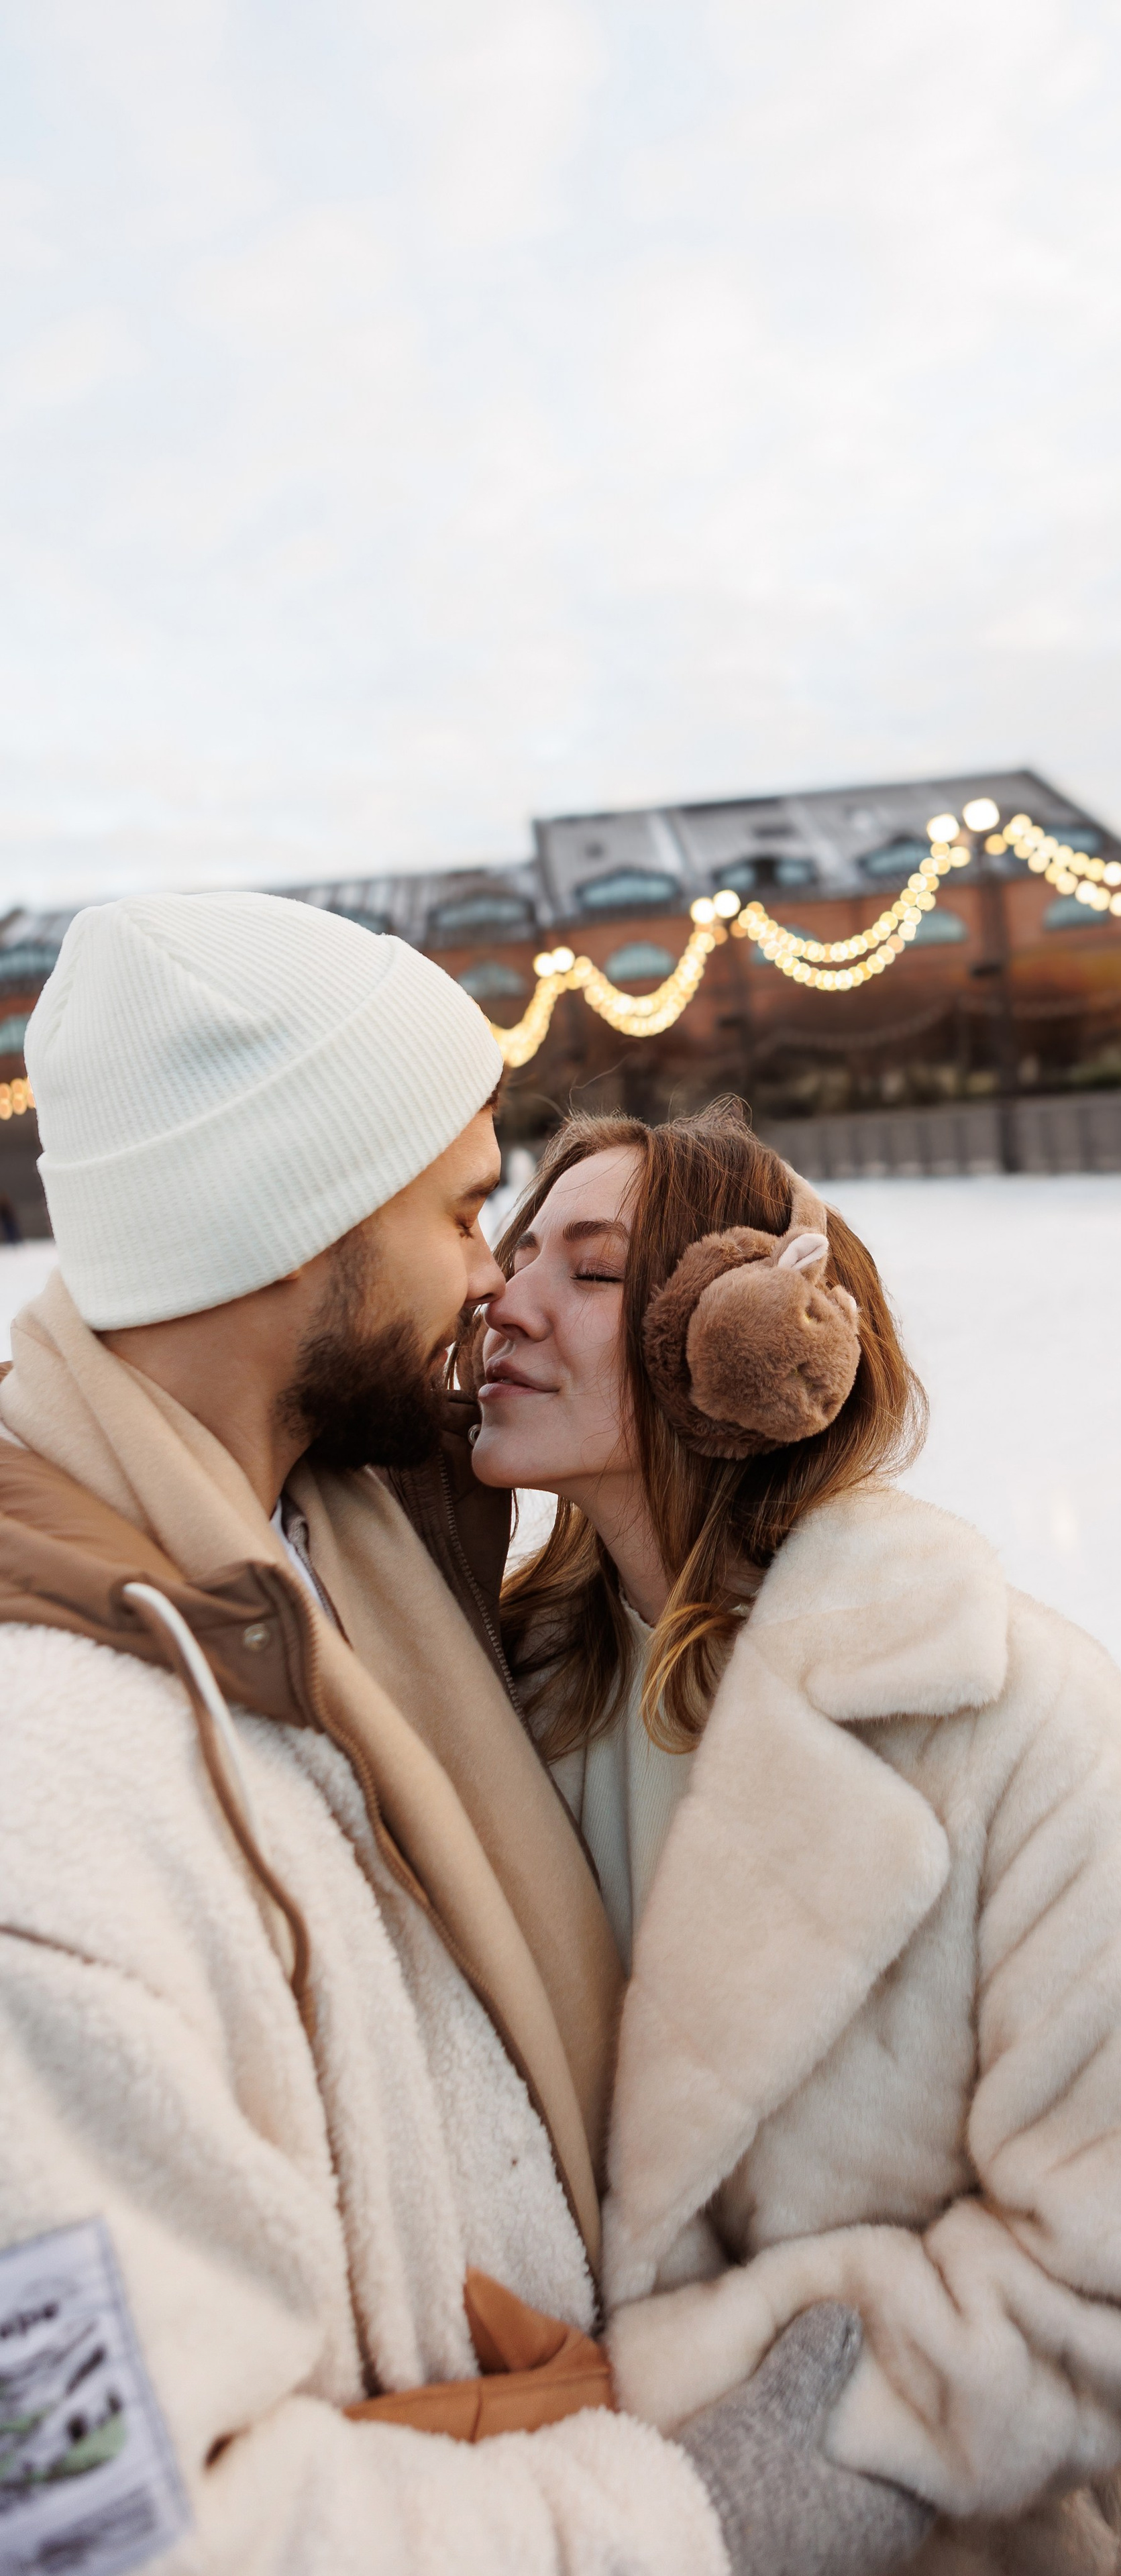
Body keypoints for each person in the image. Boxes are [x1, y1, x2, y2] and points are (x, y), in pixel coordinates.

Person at [0, 893, 930, 2576]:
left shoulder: (340, 1528)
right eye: (460, 1212)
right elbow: (104, 2536)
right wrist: (682, 2515)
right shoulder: (50, 1797)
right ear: (295, 1227)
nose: (487, 1281)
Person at [468, 1102, 1121, 2576]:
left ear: (729, 1340)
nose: (507, 1300)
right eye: (512, 1251)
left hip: (1006, 2534)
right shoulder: (510, 1714)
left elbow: (1110, 2283)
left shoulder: (998, 1712)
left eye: (593, 1272)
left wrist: (742, 2473)